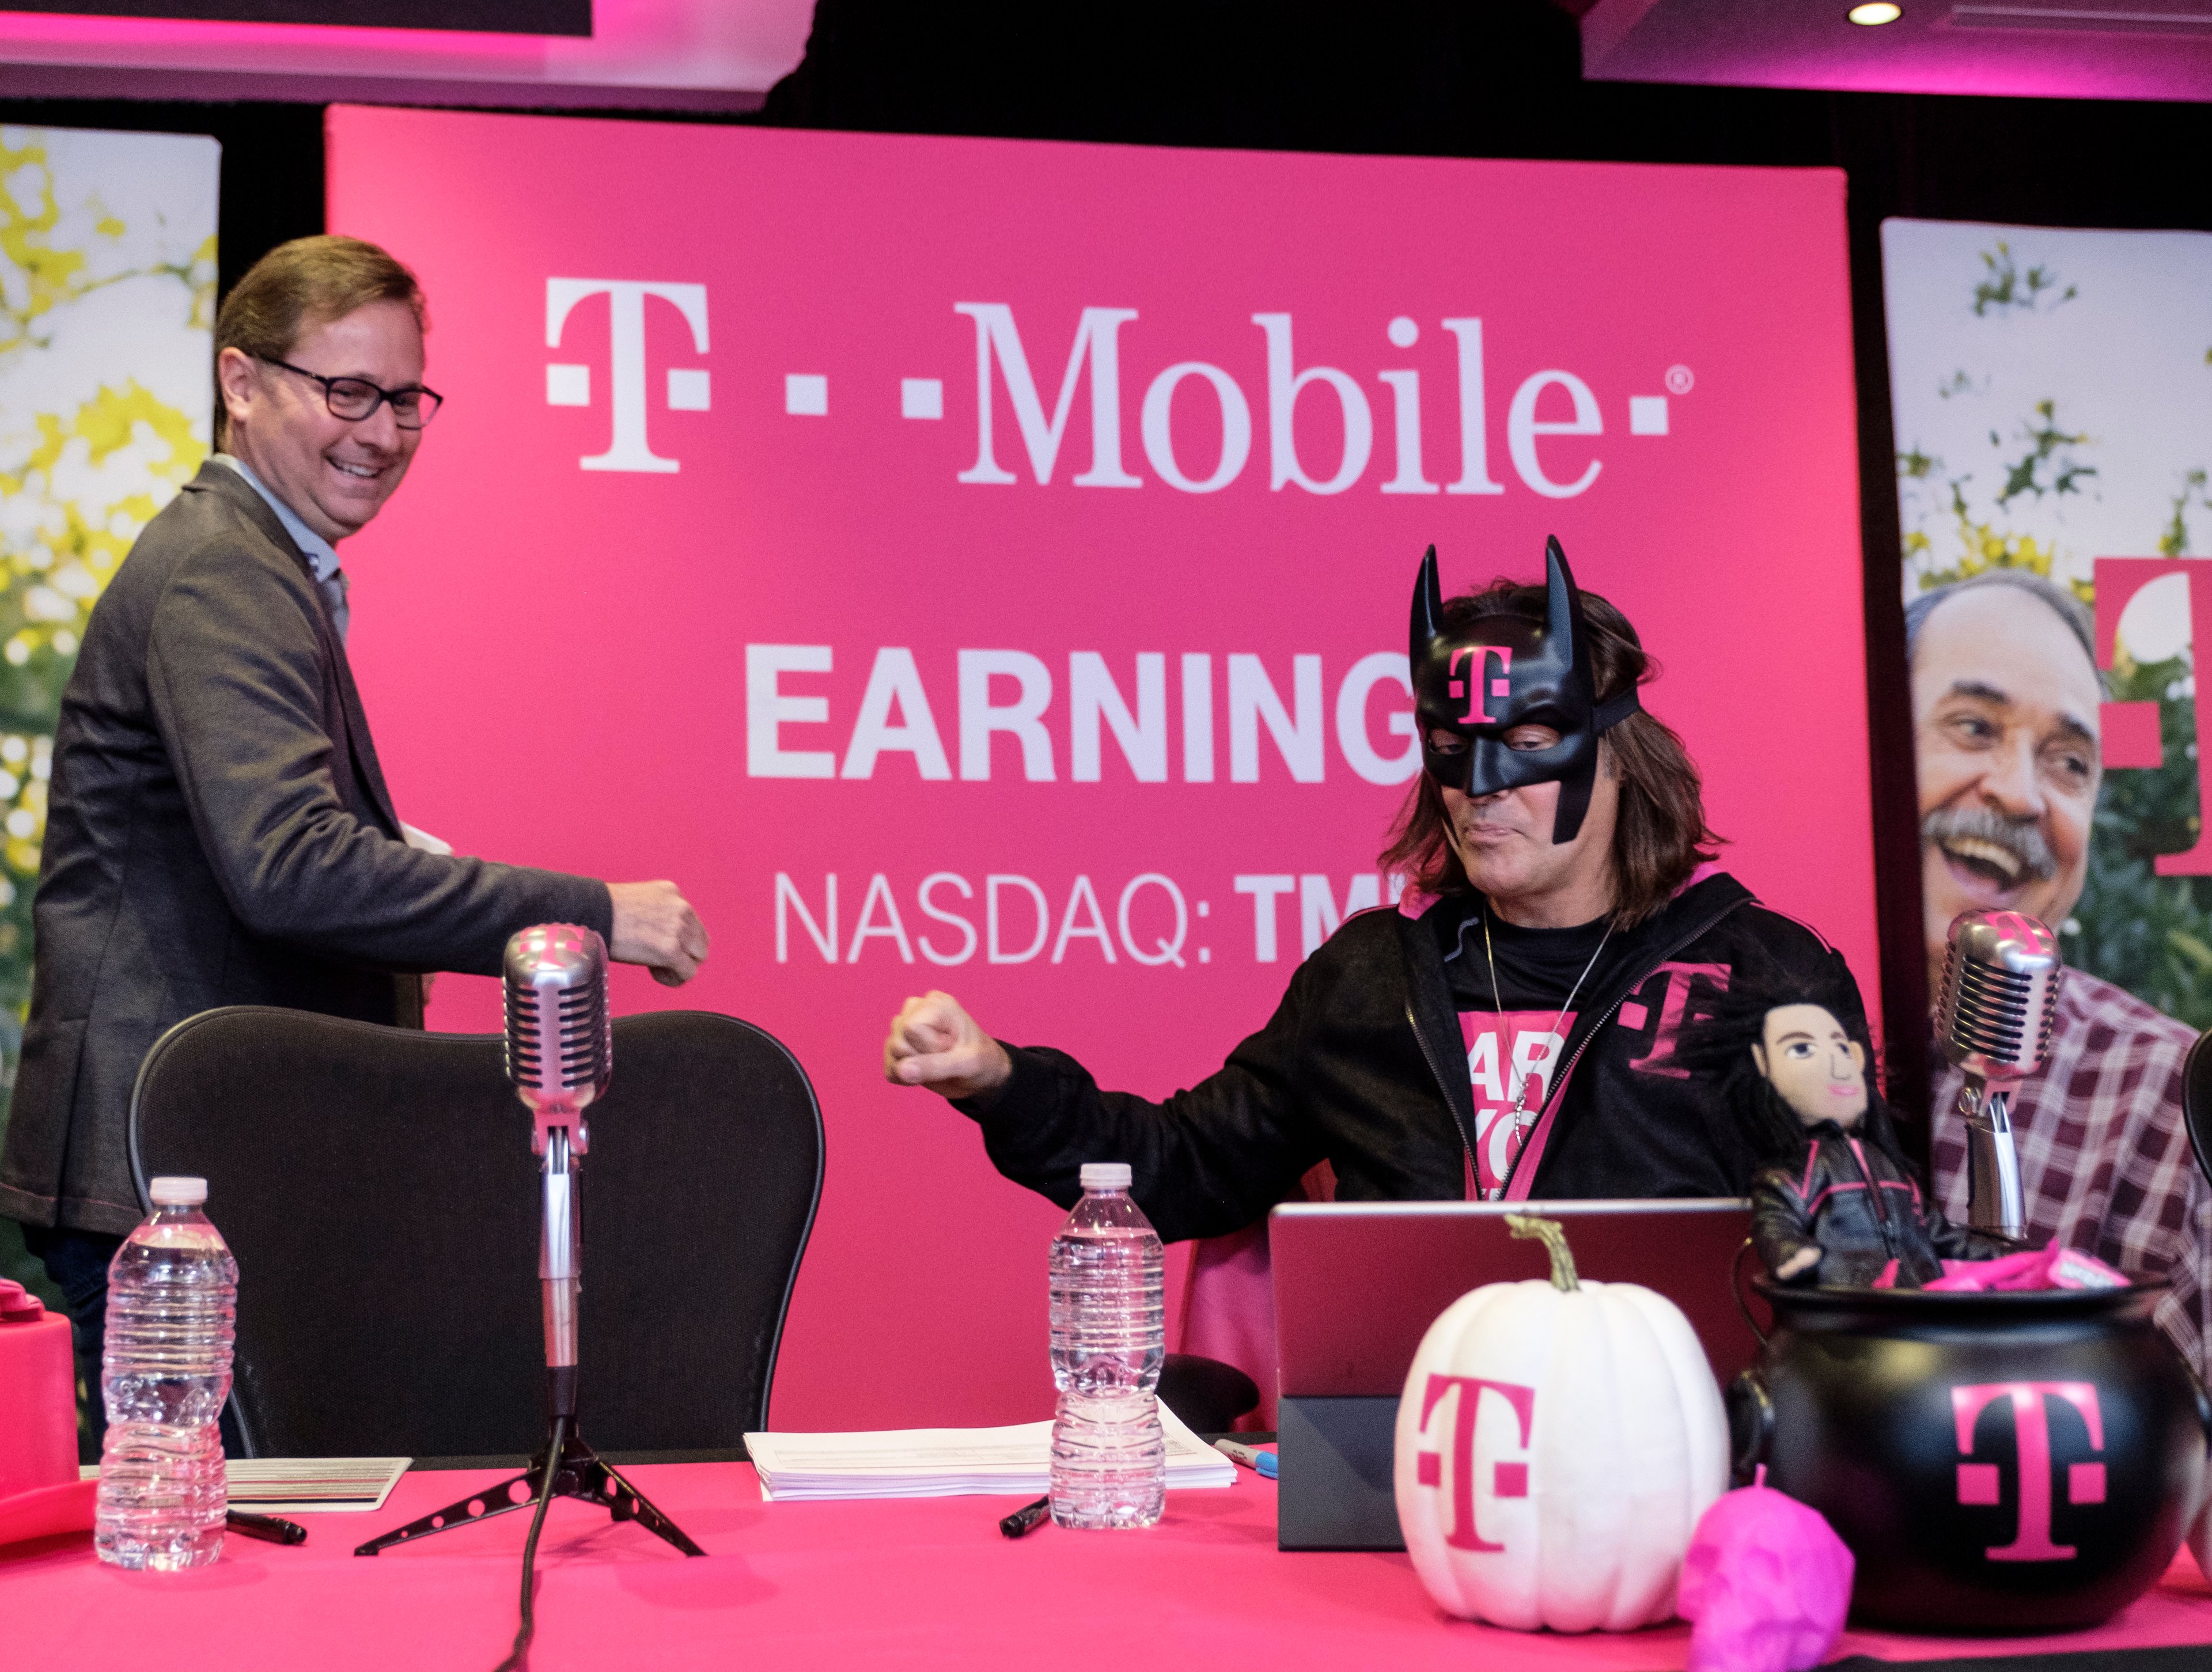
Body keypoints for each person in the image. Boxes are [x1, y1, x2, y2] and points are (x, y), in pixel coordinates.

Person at [0, 236, 711, 1394]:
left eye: (405, 398)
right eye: (345, 391)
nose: (379, 431)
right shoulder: (224, 571)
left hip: (202, 1160)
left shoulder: (258, 564)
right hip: (168, 1179)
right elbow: (289, 867)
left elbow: (253, 850)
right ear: (241, 381)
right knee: (184, 1550)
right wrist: (590, 915)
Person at [882, 538, 1866, 1239]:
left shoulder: (1763, 972)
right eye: (1451, 752)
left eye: (1527, 752)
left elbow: (1862, 1228)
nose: (1481, 793)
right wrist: (1000, 1083)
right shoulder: (1374, 973)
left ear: (1620, 763)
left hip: (1677, 1455)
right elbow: (1179, 1169)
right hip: (1407, 1448)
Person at [1908, 569, 2208, 1368]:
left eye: (2069, 762)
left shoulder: (2164, 1100)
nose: (2018, 793)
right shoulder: (1709, 1032)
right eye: (1973, 726)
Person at [1676, 972, 2005, 1288]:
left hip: (1921, 1310)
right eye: (1802, 1049)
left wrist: (2002, 1255)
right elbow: (1775, 1224)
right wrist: (1791, 1253)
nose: (1837, 1065)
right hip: (1848, 1313)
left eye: (1842, 1048)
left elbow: (1938, 1234)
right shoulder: (1798, 1172)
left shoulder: (1889, 1165)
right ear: (1761, 1064)